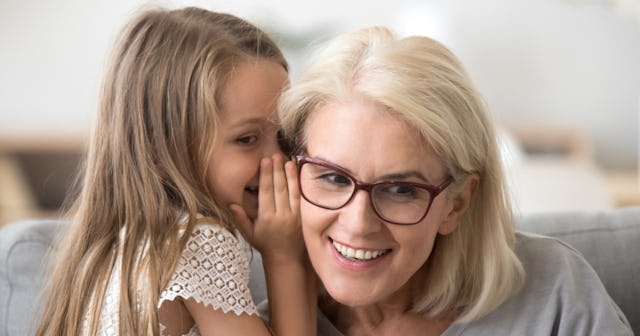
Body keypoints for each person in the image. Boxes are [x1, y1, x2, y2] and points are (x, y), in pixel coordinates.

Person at [277, 26, 633, 335]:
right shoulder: (252, 324)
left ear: (457, 203)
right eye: (333, 178)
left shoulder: (554, 292)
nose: (358, 224)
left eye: (401, 190)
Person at [35, 6, 315, 336]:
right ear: (160, 154)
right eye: (247, 139)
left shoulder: (120, 247)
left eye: (284, 136)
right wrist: (285, 256)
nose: (279, 159)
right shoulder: (198, 241)